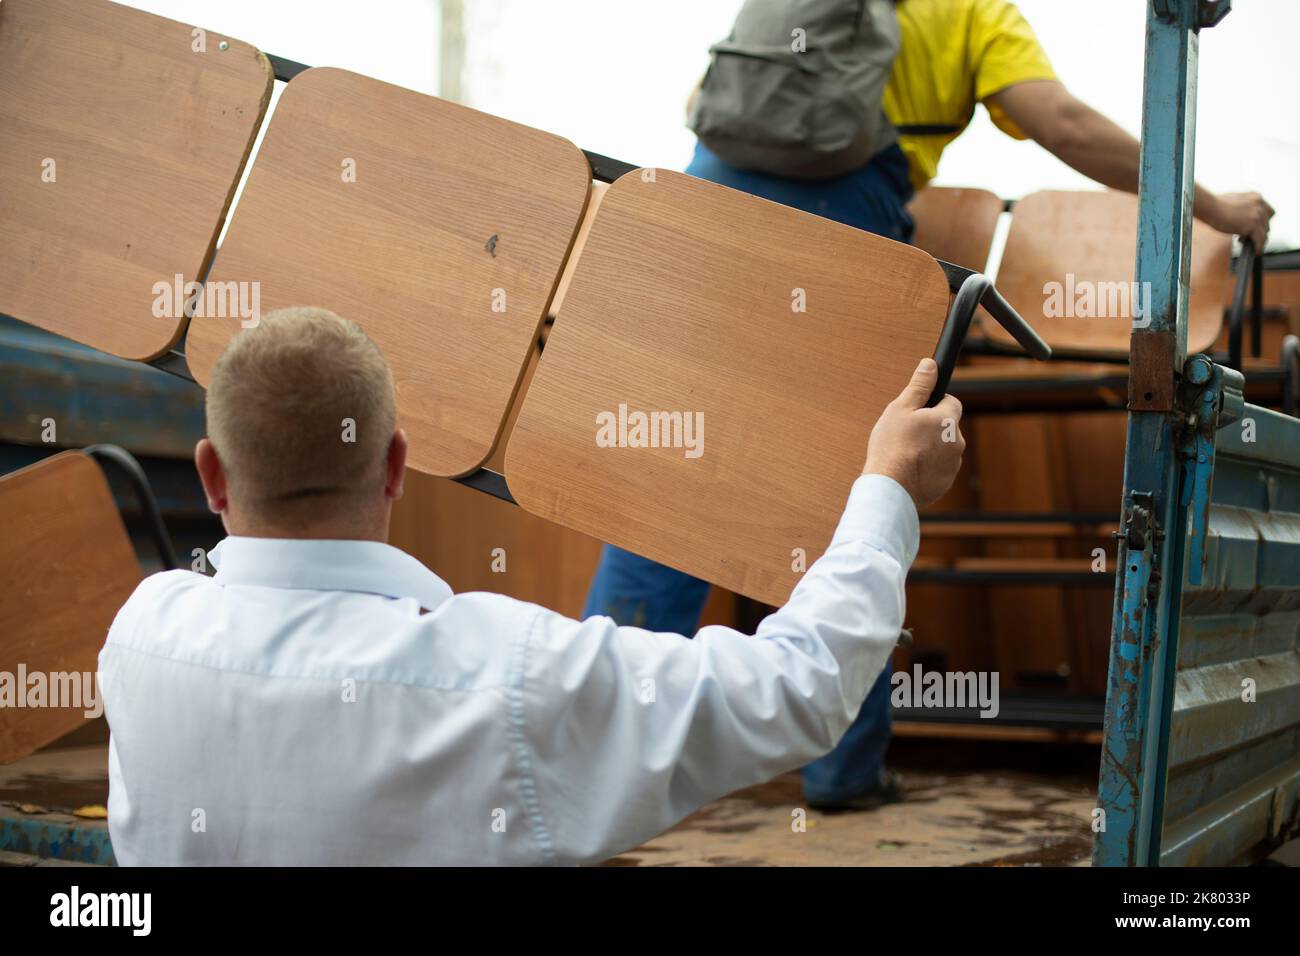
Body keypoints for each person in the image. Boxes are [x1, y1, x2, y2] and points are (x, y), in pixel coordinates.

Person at [586, 0, 1276, 811]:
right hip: (841, 230)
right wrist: (1214, 208)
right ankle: (842, 773)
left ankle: (595, 753)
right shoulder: (973, 13)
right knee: (840, 494)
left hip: (706, 217)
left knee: (670, 482)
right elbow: (1060, 122)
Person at [99, 306, 964, 865]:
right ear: (397, 463)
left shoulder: (139, 636)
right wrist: (886, 484)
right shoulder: (503, 670)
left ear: (212, 474)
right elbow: (797, 688)